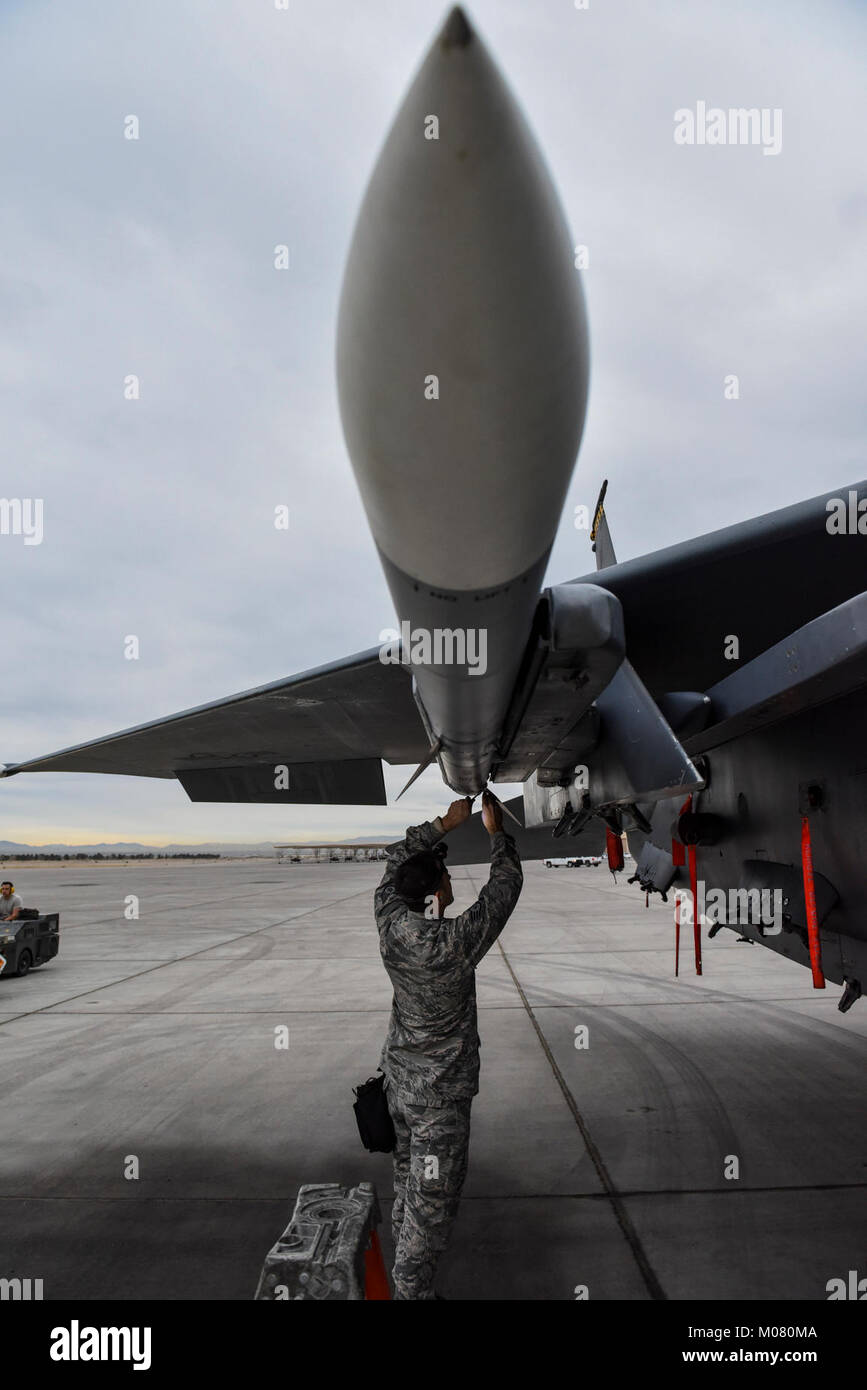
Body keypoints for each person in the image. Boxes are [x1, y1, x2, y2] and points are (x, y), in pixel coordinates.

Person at [374, 789, 523, 1300]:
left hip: (400, 1086)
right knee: (431, 1203)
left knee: (407, 1185)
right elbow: (504, 888)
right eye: (445, 875)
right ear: (438, 889)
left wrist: (442, 824)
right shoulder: (452, 943)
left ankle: (404, 1277)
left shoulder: (390, 923)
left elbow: (396, 863)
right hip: (438, 1098)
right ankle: (411, 1293)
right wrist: (493, 830)